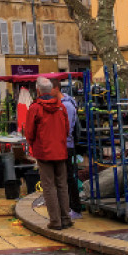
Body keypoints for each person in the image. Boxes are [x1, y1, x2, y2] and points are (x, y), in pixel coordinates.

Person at [25, 77, 72, 230]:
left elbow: (29, 132)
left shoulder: (35, 108)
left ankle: (55, 221)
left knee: (49, 186)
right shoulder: (61, 107)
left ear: (38, 90)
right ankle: (66, 218)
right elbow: (66, 129)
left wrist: (33, 144)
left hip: (44, 151)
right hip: (60, 150)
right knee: (62, 185)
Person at [58, 85, 83, 217]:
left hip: (67, 145)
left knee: (69, 176)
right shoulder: (65, 104)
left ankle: (75, 208)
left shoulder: (66, 106)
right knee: (67, 176)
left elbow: (66, 129)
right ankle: (70, 207)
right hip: (65, 145)